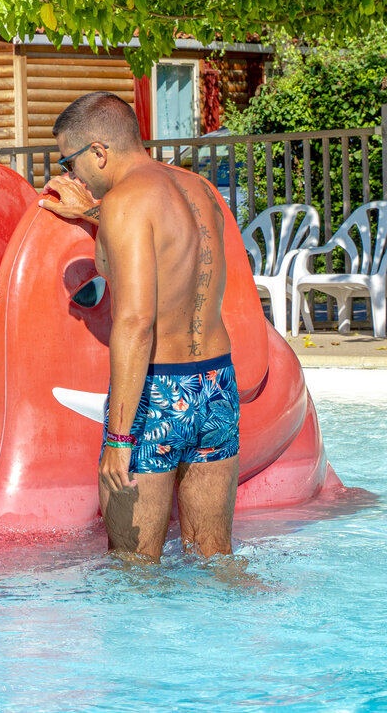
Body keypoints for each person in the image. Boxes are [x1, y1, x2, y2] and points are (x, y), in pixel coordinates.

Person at [39, 92, 240, 561]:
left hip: (158, 395)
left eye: (71, 163)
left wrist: (118, 438)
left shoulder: (126, 201)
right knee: (216, 561)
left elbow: (134, 322)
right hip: (216, 384)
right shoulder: (198, 190)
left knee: (135, 571)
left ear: (99, 151)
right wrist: (93, 215)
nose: (74, 176)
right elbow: (170, 252)